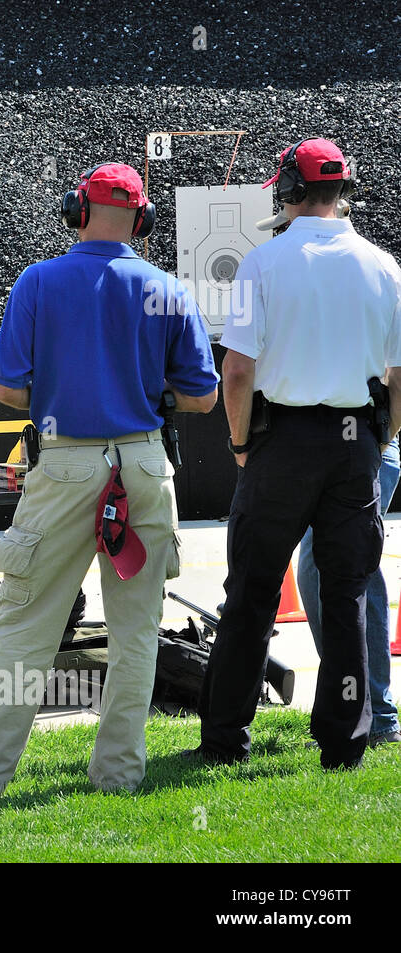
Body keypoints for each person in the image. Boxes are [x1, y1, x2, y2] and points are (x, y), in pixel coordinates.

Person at [0, 162, 218, 798]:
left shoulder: (39, 280)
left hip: (65, 464)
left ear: (77, 210)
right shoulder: (167, 289)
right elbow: (201, 398)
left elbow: (7, 386)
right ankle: (118, 776)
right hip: (143, 465)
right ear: (141, 220)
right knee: (136, 631)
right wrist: (142, 388)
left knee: (25, 627)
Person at [189, 137, 401, 769]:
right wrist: (381, 437)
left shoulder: (264, 263)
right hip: (354, 441)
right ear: (345, 190)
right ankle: (345, 741)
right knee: (345, 596)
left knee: (251, 596)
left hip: (281, 443)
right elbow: (399, 373)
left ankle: (225, 739)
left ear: (288, 189)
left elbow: (237, 372)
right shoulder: (384, 267)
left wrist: (240, 445)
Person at [280, 199, 400, 748]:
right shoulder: (369, 269)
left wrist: (384, 438)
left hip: (360, 440)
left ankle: (372, 711)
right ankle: (356, 703)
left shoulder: (366, 270)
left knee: (345, 575)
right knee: (332, 574)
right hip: (355, 440)